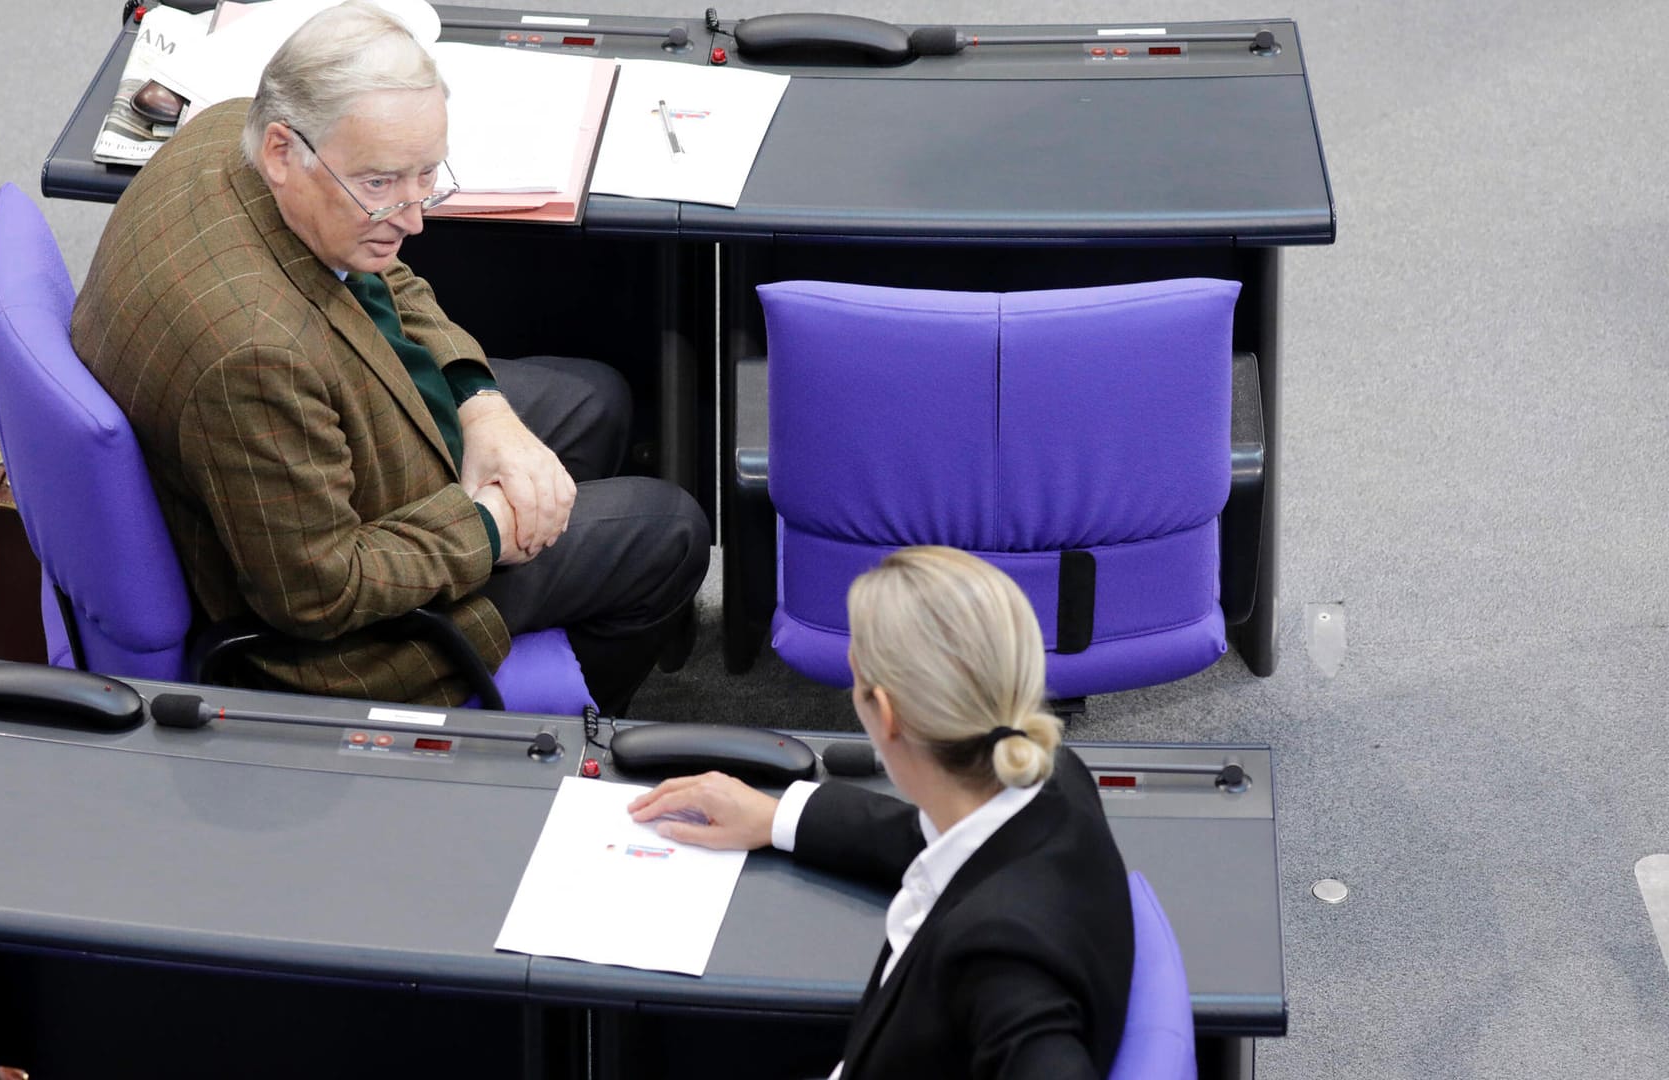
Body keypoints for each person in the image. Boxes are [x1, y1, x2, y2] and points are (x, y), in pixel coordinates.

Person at [72, 1, 708, 714]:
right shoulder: (253, 356)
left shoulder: (232, 132)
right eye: (380, 184)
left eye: (425, 177)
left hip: (322, 446)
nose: (413, 218)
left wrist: (481, 401)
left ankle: (542, 585)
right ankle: (541, 739)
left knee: (594, 400)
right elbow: (319, 593)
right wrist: (490, 528)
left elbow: (381, 276)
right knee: (669, 530)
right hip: (336, 645)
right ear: (285, 150)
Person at [629, 547, 1134, 1079]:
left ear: (885, 714)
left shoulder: (1002, 961)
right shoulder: (1054, 779)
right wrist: (778, 817)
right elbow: (933, 844)